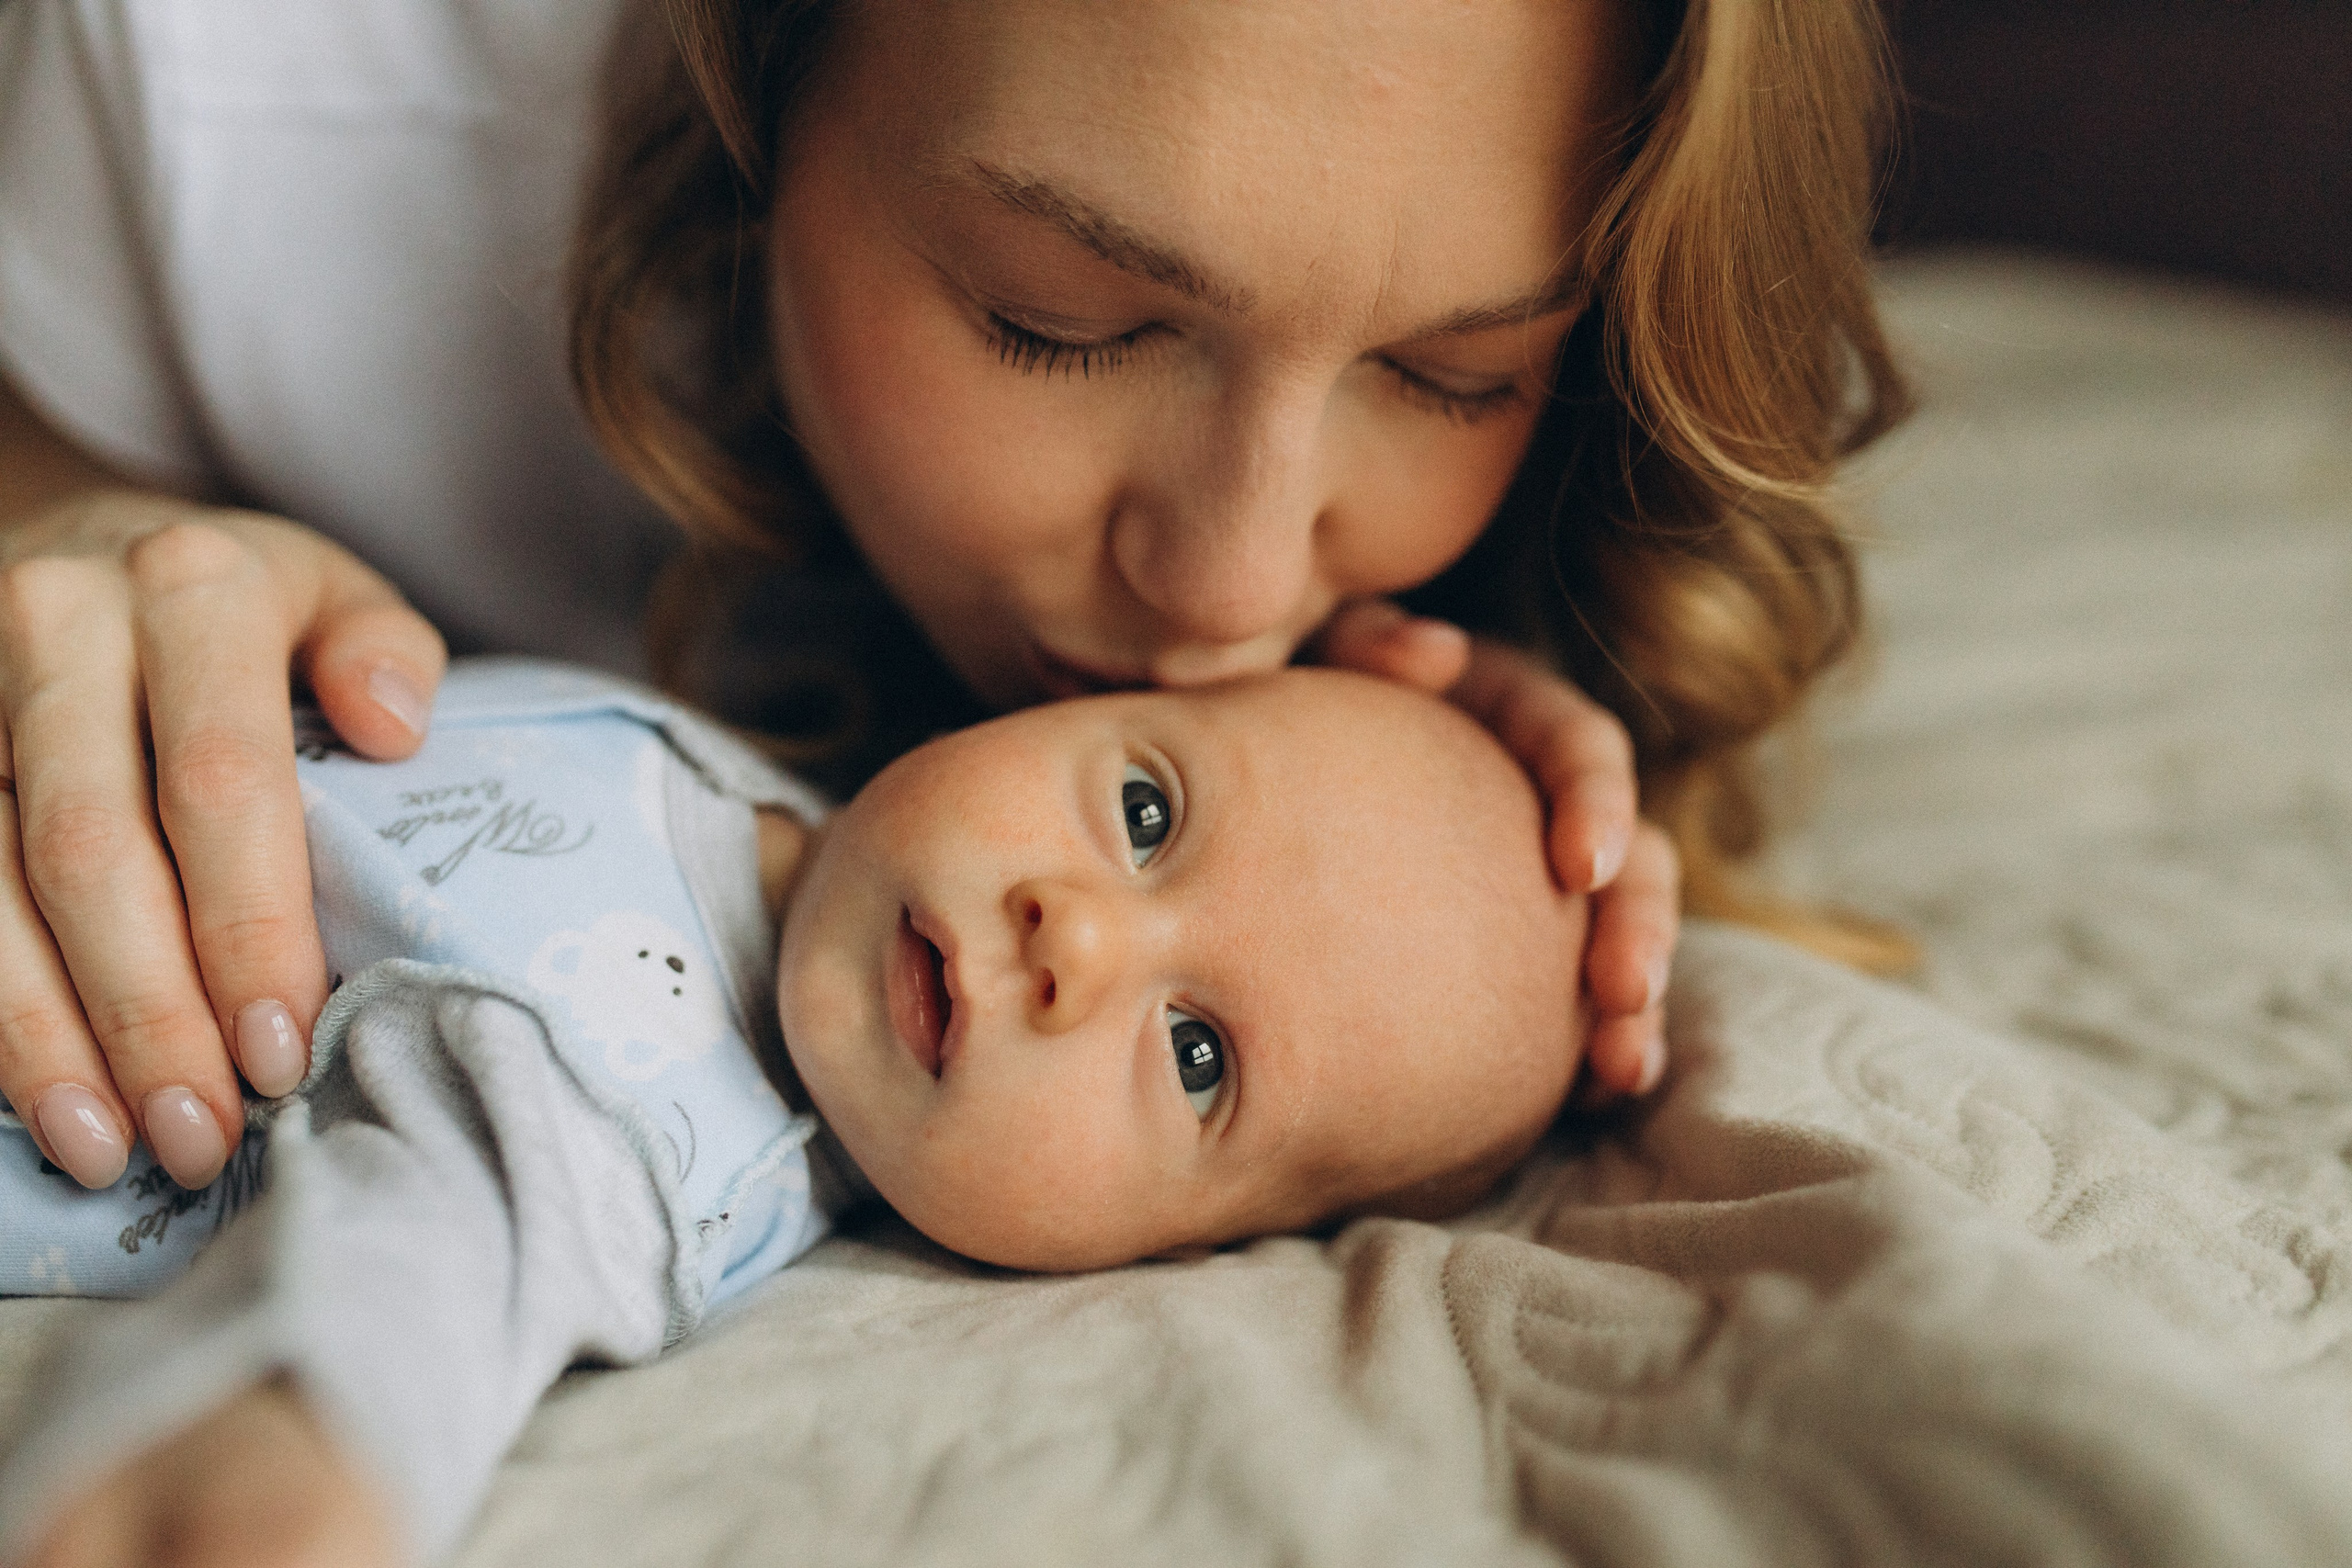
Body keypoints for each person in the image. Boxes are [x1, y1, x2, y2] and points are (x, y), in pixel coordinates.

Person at [0, 0, 1913, 1200]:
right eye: (1053, 317)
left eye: (1447, 376)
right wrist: (65, 537)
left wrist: (1409, 819)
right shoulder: (222, 82)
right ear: (751, 65)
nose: (1231, 583)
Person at [0, 659, 1588, 1566]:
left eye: (1197, 1059)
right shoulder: (741, 743)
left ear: (1173, 1253)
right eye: (1146, 812)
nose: (1079, 939)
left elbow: (429, 1261)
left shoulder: (643, 1132)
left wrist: (297, 1461)